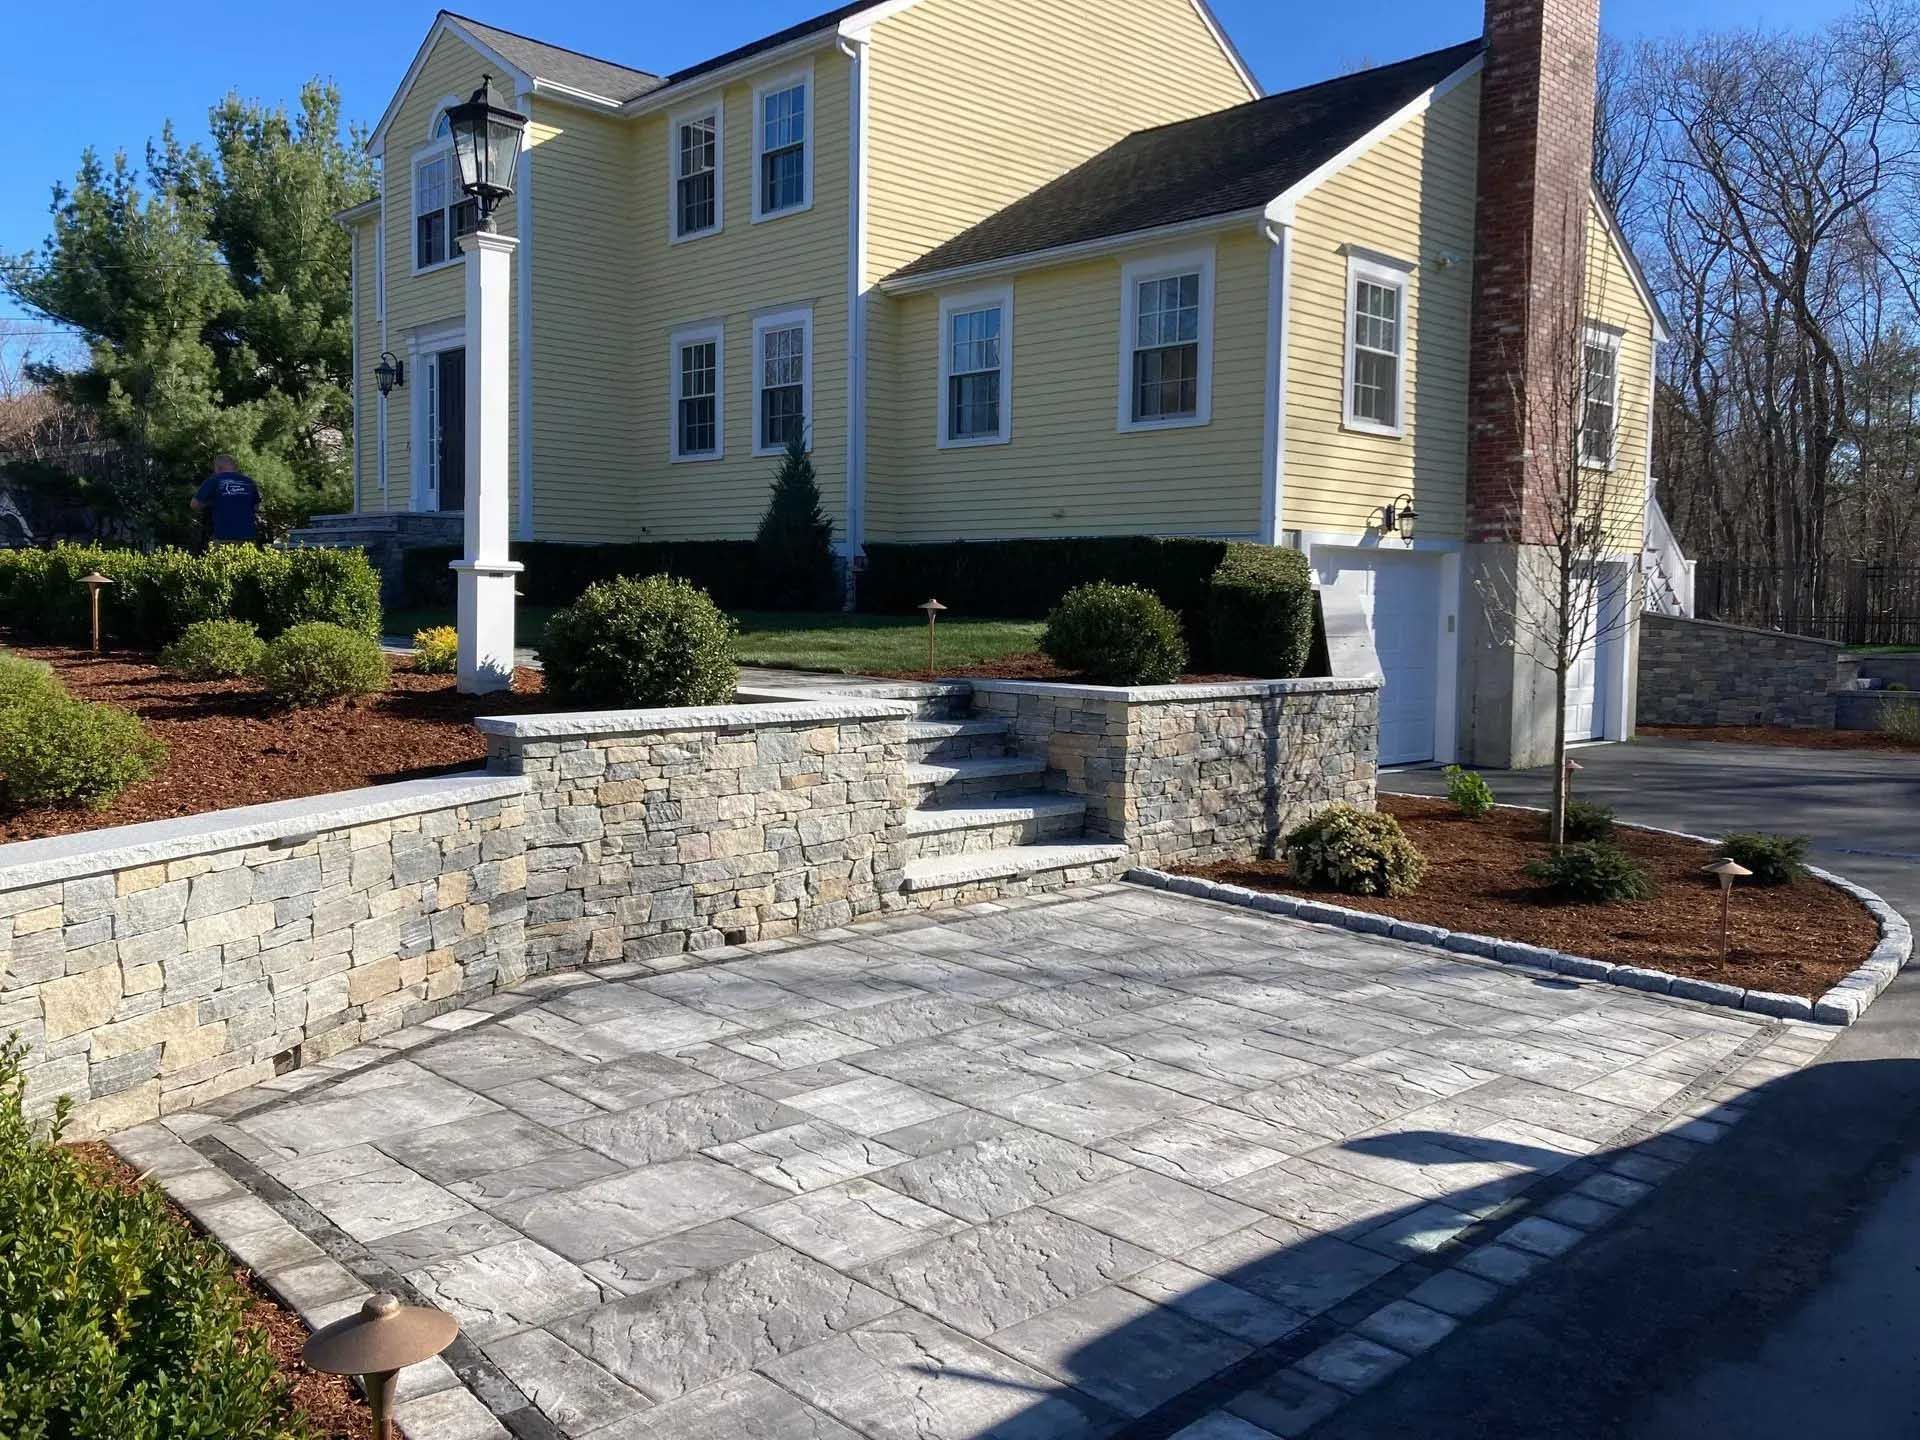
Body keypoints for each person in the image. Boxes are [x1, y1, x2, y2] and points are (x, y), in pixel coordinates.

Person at [191, 455, 261, 545]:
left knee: (221, 558)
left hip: (223, 537)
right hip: (247, 537)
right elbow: (256, 507)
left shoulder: (214, 480)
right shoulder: (249, 482)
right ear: (234, 466)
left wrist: (209, 503)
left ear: (218, 467)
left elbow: (194, 505)